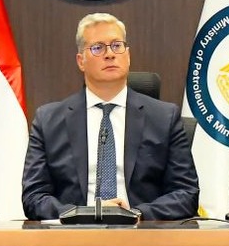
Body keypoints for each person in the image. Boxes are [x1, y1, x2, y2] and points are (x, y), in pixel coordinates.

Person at [21, 14, 198, 220]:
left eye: (116, 46)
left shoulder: (164, 118)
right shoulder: (49, 121)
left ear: (128, 56)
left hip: (142, 231)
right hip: (74, 232)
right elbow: (33, 197)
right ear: (81, 61)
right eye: (98, 48)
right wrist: (87, 214)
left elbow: (186, 194)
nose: (110, 54)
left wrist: (134, 214)